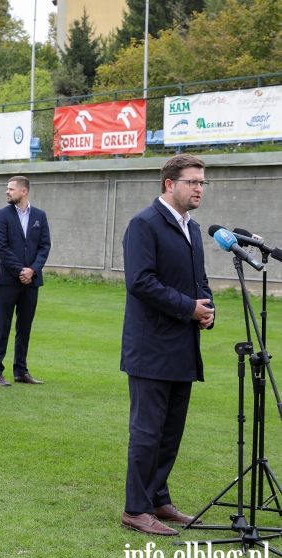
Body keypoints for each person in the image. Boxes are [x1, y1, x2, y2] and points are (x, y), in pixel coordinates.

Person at [121, 154, 214, 536]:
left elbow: (198, 280)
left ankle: (158, 499)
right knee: (147, 431)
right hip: (151, 348)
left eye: (202, 183)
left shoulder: (192, 228)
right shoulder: (145, 224)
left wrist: (206, 308)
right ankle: (135, 509)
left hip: (182, 346)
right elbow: (140, 282)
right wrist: (188, 308)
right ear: (169, 184)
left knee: (171, 430)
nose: (198, 189)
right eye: (192, 182)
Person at [0, 176, 51, 386]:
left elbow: (45, 246)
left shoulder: (39, 216)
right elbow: (2, 246)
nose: (7, 192)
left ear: (23, 191)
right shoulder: (2, 215)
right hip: (9, 280)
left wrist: (32, 270)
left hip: (31, 281)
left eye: (11, 189)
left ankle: (21, 370)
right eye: (7, 188)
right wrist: (20, 271)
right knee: (2, 326)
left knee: (24, 326)